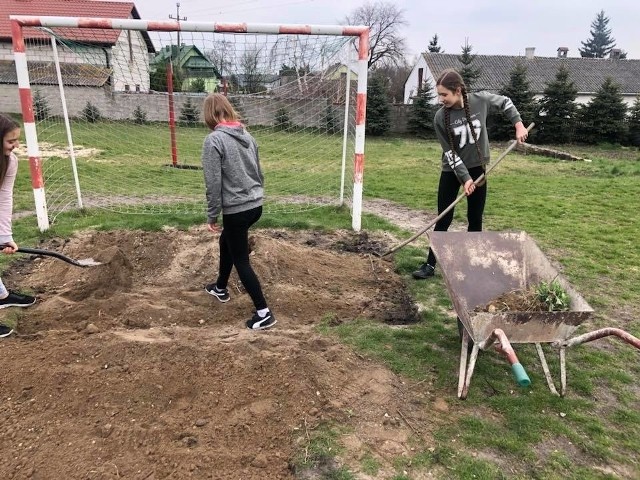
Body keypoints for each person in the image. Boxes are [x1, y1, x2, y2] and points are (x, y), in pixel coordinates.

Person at [412, 69, 528, 280]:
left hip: (478, 168)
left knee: (475, 218)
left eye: (444, 95)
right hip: (452, 170)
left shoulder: (480, 100)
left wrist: (518, 124)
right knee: (443, 218)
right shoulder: (440, 118)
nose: (441, 99)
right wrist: (464, 178)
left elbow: (506, 102)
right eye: (439, 95)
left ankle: (474, 265)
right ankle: (430, 265)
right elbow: (450, 153)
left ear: (457, 91)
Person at [201, 93, 276, 330]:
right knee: (228, 241)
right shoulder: (249, 136)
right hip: (255, 205)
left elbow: (213, 183)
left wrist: (212, 215)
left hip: (237, 209)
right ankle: (220, 287)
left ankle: (264, 313)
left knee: (241, 260)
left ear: (210, 114)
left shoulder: (214, 140)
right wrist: (255, 195)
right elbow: (259, 172)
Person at [0, 114, 36, 338]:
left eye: (17, 140)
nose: (15, 146)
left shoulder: (10, 161)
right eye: (10, 141)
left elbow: (4, 196)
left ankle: (1, 296)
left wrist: (4, 235)